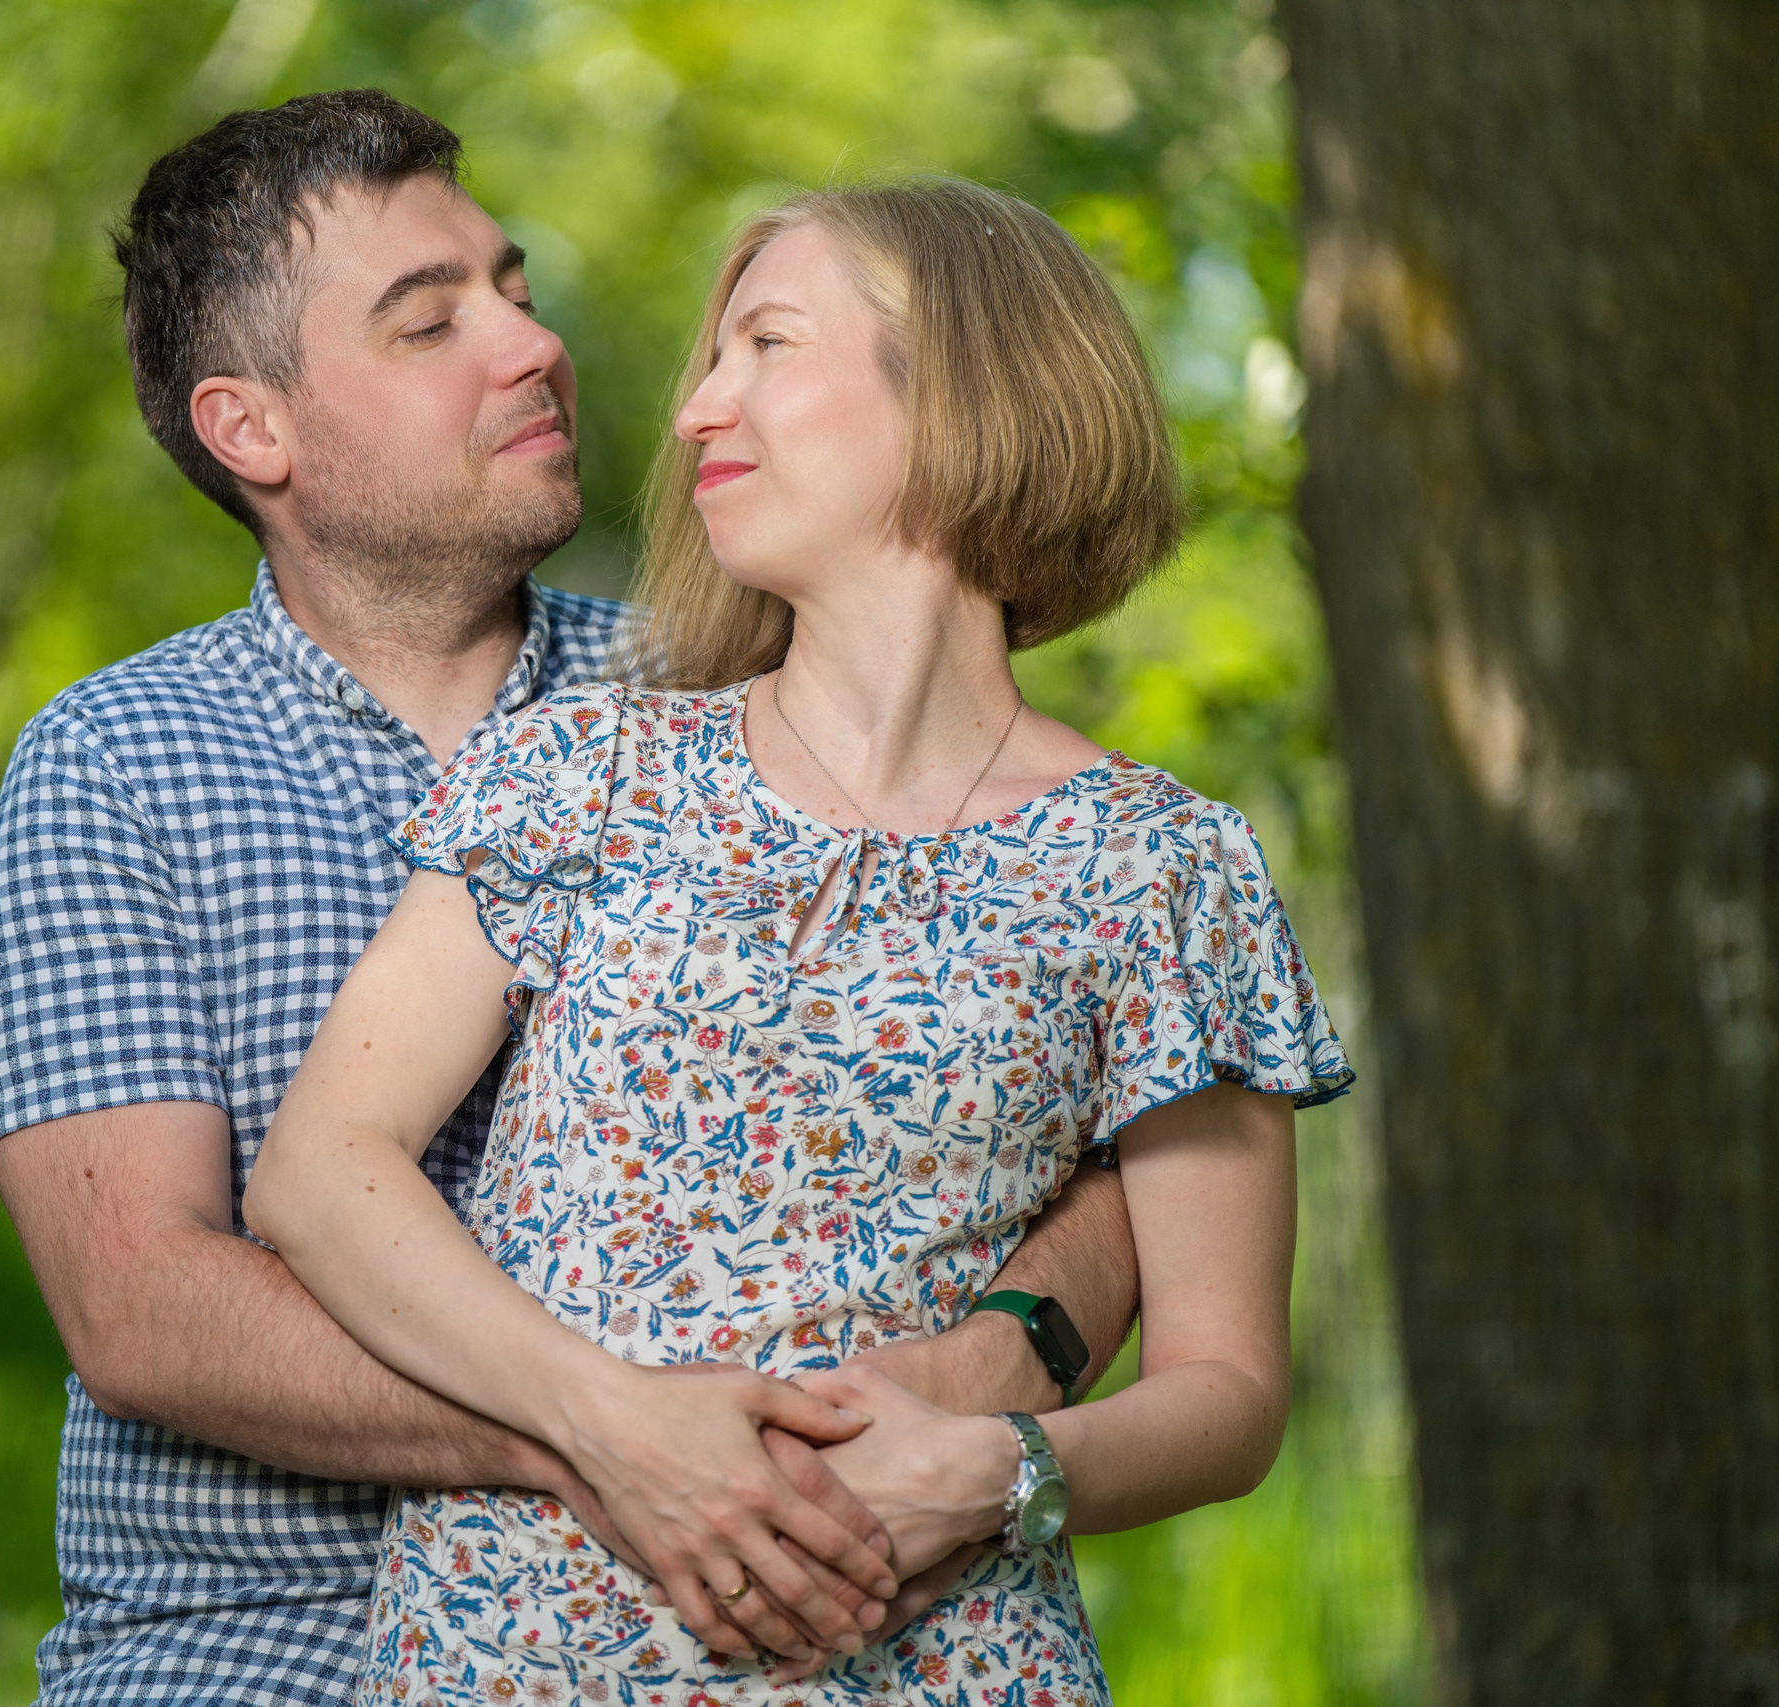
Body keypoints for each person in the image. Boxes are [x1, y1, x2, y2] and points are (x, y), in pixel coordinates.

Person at [0, 93, 1142, 1707]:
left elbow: (1116, 1117)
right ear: (255, 430)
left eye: (511, 289)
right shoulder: (115, 768)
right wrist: (608, 1432)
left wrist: (1011, 1354)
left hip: (777, 1623)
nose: (532, 346)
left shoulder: (729, 694)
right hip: (253, 1648)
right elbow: (144, 1307)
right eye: (430, 321)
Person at [242, 177, 1356, 1705]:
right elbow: (323, 1168)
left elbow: (1228, 1395)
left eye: (765, 344)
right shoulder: (581, 772)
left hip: (946, 1665)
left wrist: (1000, 1473)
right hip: (518, 1662)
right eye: (711, 359)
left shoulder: (1166, 869)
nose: (701, 405)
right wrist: (608, 1419)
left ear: (963, 382)